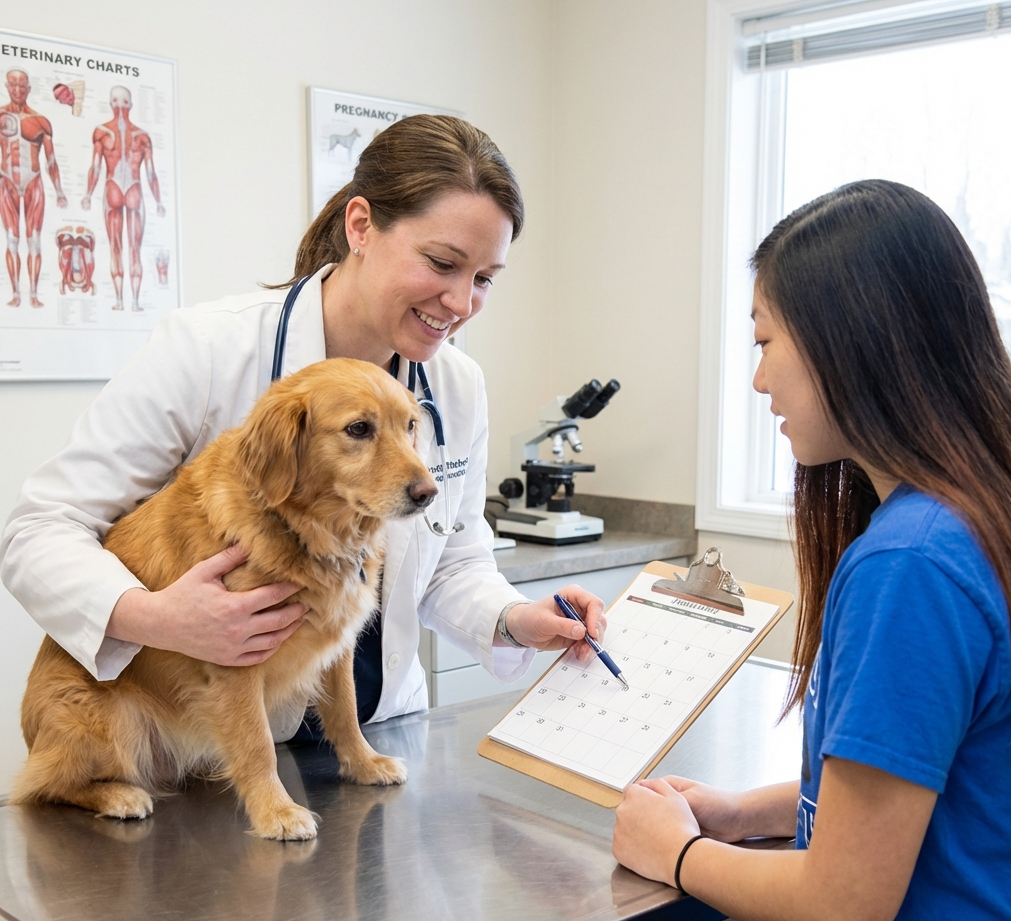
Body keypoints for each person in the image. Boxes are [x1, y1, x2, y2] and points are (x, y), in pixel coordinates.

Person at [1, 114, 606, 741]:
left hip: (378, 731)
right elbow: (40, 531)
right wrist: (156, 618)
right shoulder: (209, 349)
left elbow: (451, 561)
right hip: (218, 748)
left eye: (482, 279)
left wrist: (514, 618)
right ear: (361, 225)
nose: (460, 303)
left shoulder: (456, 384)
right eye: (441, 263)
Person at [578, 180, 1011, 921]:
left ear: (851, 341)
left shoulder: (912, 565)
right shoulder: (982, 512)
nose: (757, 380)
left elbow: (845, 904)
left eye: (767, 340)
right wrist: (741, 813)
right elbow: (921, 783)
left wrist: (676, 856)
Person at [82, 85, 165, 312]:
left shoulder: (103, 133)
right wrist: (158, 202)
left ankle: (122, 301)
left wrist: (89, 195)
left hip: (114, 187)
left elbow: (97, 168)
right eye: (119, 102)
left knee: (117, 246)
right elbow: (149, 173)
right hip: (130, 188)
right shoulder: (141, 137)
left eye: (122, 102)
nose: (119, 107)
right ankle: (131, 302)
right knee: (128, 247)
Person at [0, 68, 68, 308]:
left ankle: (34, 294)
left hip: (34, 182)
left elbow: (50, 159)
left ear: (28, 89)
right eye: (13, 85)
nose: (17, 90)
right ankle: (16, 294)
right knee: (11, 239)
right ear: (7, 86)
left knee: (34, 240)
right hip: (7, 181)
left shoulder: (40, 121)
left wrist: (59, 190)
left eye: (22, 86)